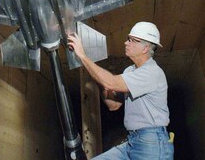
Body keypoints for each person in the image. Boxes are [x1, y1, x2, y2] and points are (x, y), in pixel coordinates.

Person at [67, 22, 174, 159]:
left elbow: (110, 82)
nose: (126, 43)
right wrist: (98, 77)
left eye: (131, 40)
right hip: (133, 141)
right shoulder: (130, 71)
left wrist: (83, 56)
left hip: (151, 143)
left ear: (145, 48)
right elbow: (113, 105)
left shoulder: (152, 72)